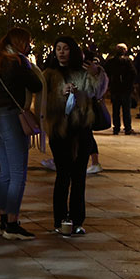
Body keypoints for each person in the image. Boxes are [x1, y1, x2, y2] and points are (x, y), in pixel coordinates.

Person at [44, 36, 107, 237]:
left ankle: (77, 220)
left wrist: (96, 73)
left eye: (65, 48)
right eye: (58, 48)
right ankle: (60, 220)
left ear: (72, 50)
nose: (61, 52)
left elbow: (97, 92)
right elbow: (43, 104)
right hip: (60, 131)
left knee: (79, 176)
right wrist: (59, 94)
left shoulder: (83, 72)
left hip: (81, 130)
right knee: (63, 175)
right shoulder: (49, 74)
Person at [0, 27, 44, 240]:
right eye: (28, 42)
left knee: (6, 173)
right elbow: (36, 85)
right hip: (12, 118)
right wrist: (29, 65)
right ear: (20, 43)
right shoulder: (17, 62)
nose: (29, 46)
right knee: (18, 174)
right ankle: (12, 224)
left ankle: (3, 221)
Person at [103, 43, 137, 135]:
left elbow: (105, 72)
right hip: (124, 89)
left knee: (116, 109)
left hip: (116, 88)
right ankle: (127, 128)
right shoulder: (127, 61)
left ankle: (117, 128)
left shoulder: (111, 61)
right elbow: (133, 73)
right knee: (126, 110)